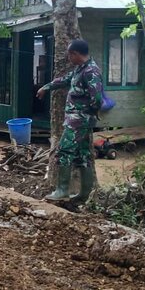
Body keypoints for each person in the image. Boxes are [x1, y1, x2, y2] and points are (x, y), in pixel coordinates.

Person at [37, 39, 104, 210]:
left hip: (79, 120)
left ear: (75, 54)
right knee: (82, 155)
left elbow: (97, 99)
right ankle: (85, 193)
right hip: (77, 119)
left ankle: (62, 190)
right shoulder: (79, 70)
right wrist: (46, 87)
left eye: (69, 54)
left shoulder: (91, 71)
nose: (68, 58)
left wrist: (85, 113)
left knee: (64, 151)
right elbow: (64, 80)